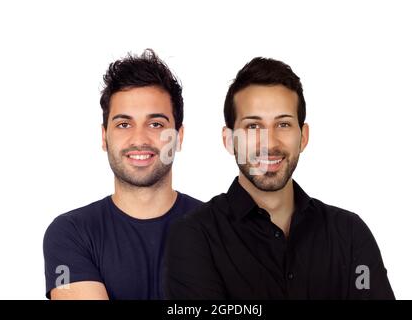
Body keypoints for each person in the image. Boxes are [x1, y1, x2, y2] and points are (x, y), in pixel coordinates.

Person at [164, 57, 395, 299]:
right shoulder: (195, 237)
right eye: (253, 127)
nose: (270, 143)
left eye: (283, 124)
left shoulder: (349, 234)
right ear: (229, 140)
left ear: (303, 137)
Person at [43, 49, 202, 299]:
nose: (139, 139)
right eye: (124, 124)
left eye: (156, 124)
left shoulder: (220, 230)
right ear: (104, 137)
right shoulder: (71, 233)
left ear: (178, 137)